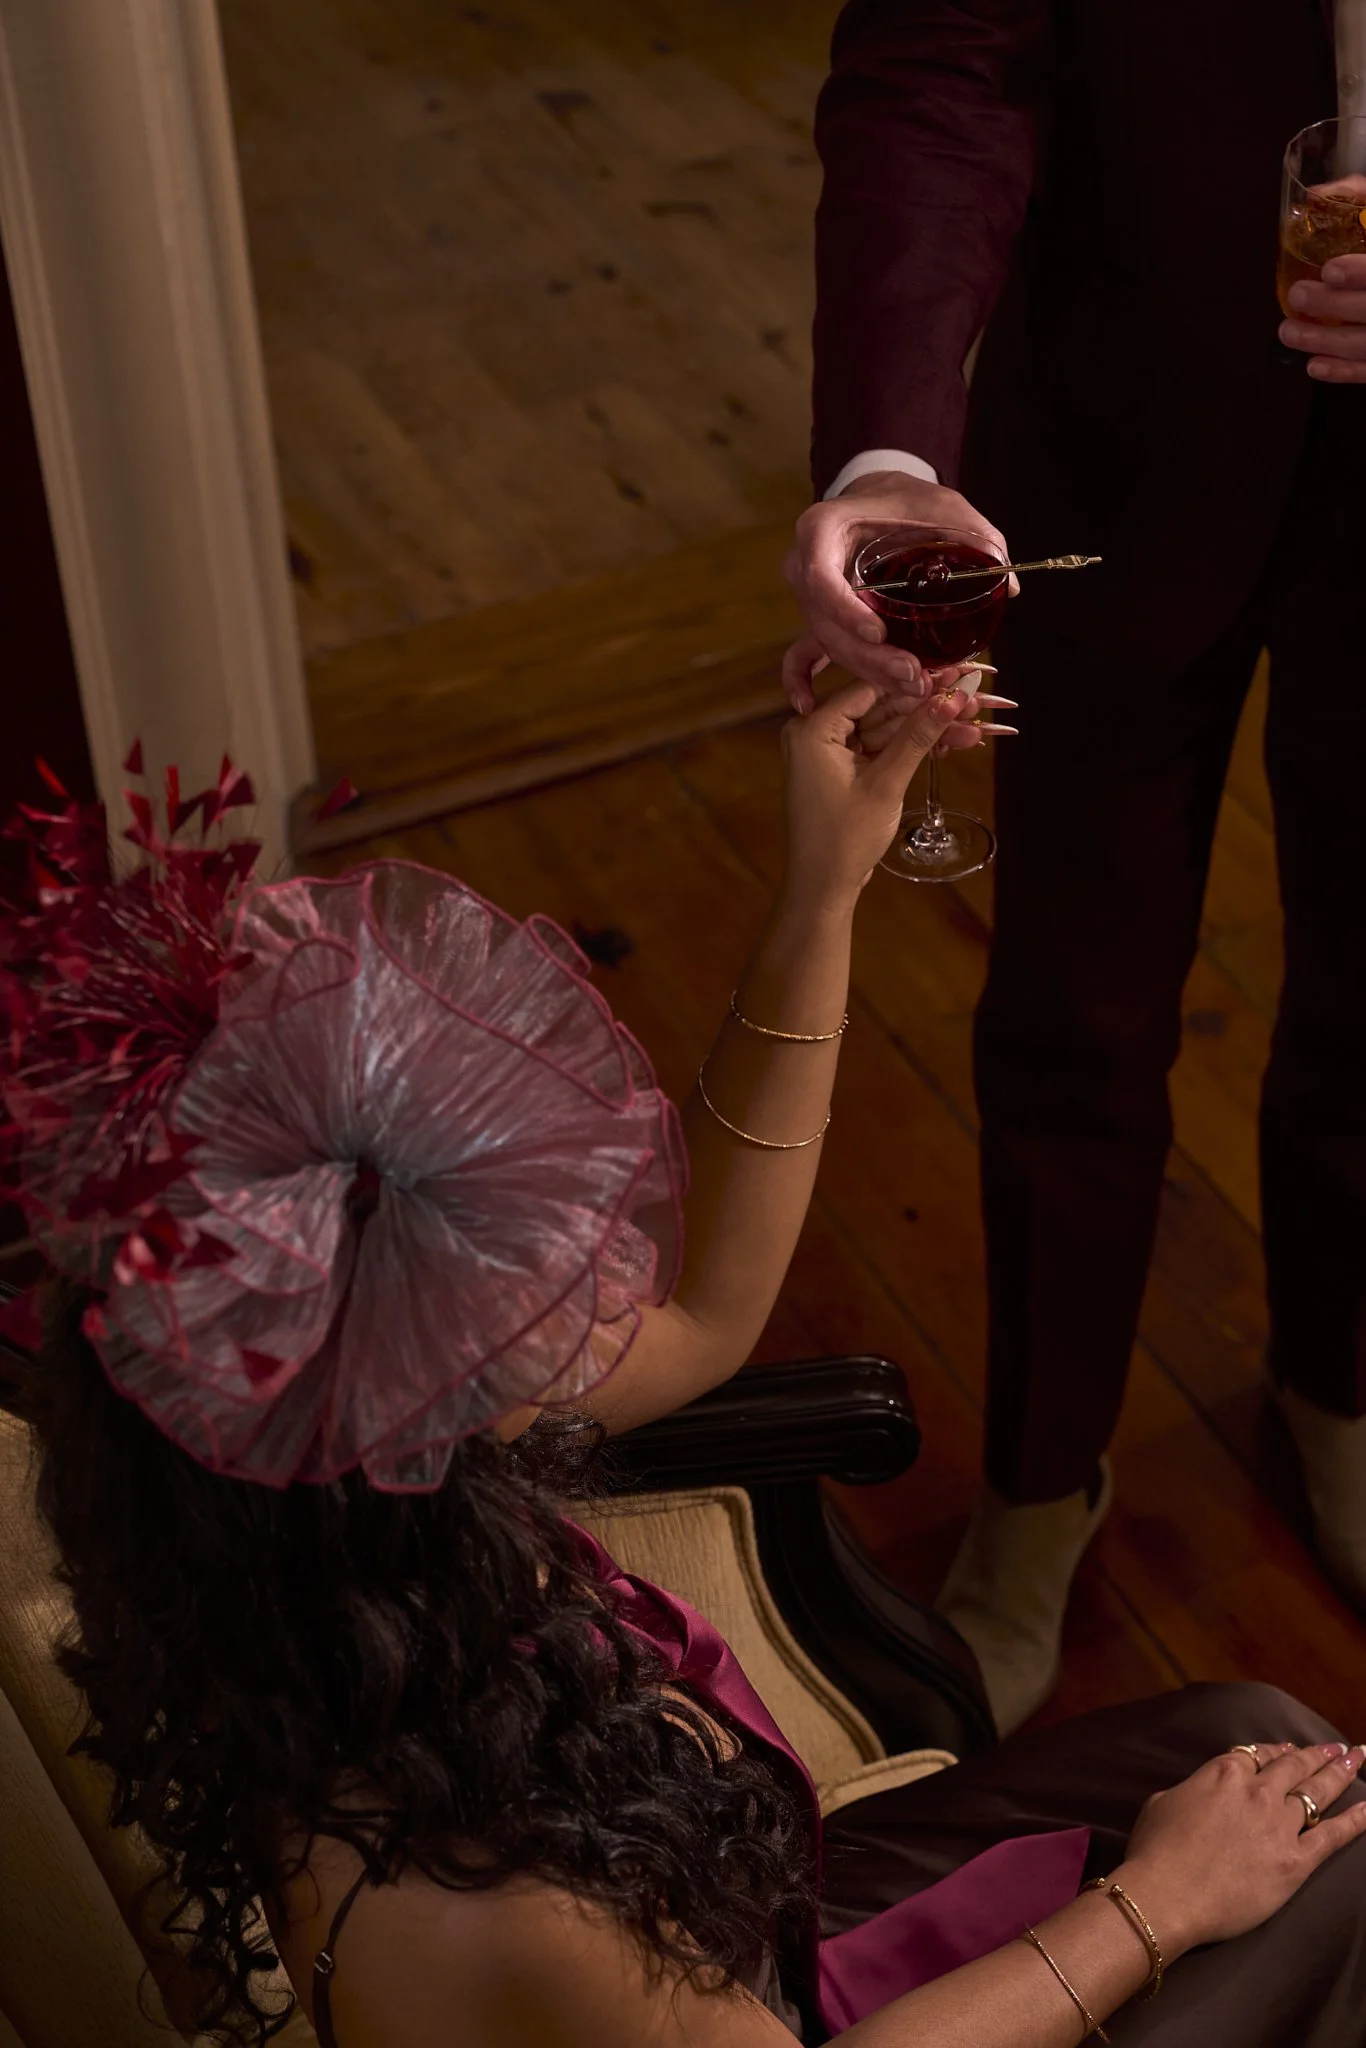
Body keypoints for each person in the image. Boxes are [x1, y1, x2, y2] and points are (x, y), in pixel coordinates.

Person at [6, 712, 1366, 2048]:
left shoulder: (330, 1499)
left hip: (749, 1930)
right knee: (1336, 1866)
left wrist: (824, 884)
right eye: (534, 1276)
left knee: (1267, 1741)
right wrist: (1155, 1906)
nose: (602, 1286)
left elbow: (710, 1313)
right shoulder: (501, 1902)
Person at [781, 0, 1366, 1736]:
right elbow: (936, 70)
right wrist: (889, 447)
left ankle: (1338, 1391)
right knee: (1071, 1020)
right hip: (1119, 441)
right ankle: (1041, 1480)